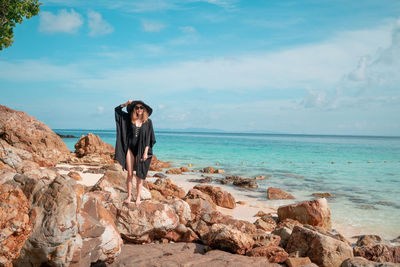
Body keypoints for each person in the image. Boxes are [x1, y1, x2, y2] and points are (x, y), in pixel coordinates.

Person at [114, 100, 156, 206]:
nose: (139, 109)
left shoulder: (148, 122)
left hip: (141, 149)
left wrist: (146, 152)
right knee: (129, 174)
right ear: (134, 109)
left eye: (141, 107)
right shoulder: (129, 119)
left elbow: (149, 139)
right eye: (137, 108)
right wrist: (125, 104)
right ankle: (128, 196)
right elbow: (117, 110)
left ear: (144, 109)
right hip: (129, 148)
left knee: (139, 176)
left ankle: (138, 198)